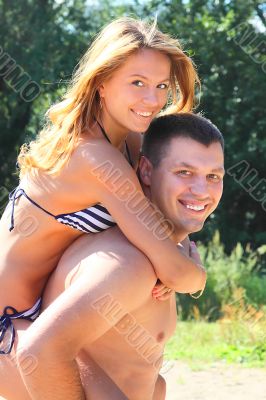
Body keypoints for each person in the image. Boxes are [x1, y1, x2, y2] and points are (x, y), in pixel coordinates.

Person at [0, 16, 204, 360]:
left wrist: (171, 258)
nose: (152, 100)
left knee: (153, 389)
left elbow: (161, 230)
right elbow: (176, 270)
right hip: (11, 322)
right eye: (137, 82)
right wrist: (196, 274)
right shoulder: (94, 156)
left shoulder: (132, 142)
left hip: (55, 314)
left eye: (162, 86)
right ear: (102, 83)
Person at [0, 113, 224, 400]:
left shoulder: (167, 254)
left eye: (213, 176)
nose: (201, 191)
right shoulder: (127, 263)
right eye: (184, 173)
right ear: (145, 171)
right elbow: (40, 350)